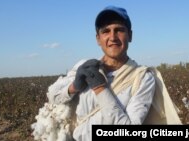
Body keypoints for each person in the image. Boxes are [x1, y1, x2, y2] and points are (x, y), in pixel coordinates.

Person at [50, 5, 181, 141]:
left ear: (130, 36)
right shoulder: (85, 67)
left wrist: (101, 89)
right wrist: (74, 86)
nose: (112, 37)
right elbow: (53, 97)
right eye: (106, 31)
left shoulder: (142, 78)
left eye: (119, 30)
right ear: (98, 39)